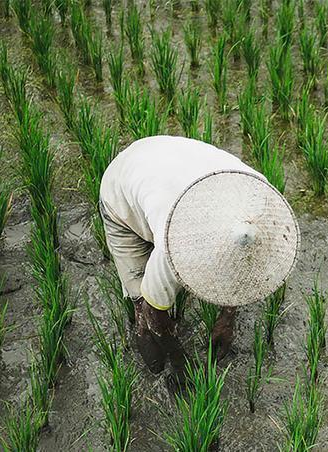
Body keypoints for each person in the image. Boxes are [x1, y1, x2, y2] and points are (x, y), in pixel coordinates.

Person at [99, 135, 299, 381]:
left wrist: (227, 319)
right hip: (123, 185)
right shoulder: (176, 248)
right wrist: (178, 358)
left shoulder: (260, 200)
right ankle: (150, 344)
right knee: (142, 309)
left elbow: (241, 263)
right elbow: (154, 309)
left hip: (174, 163)